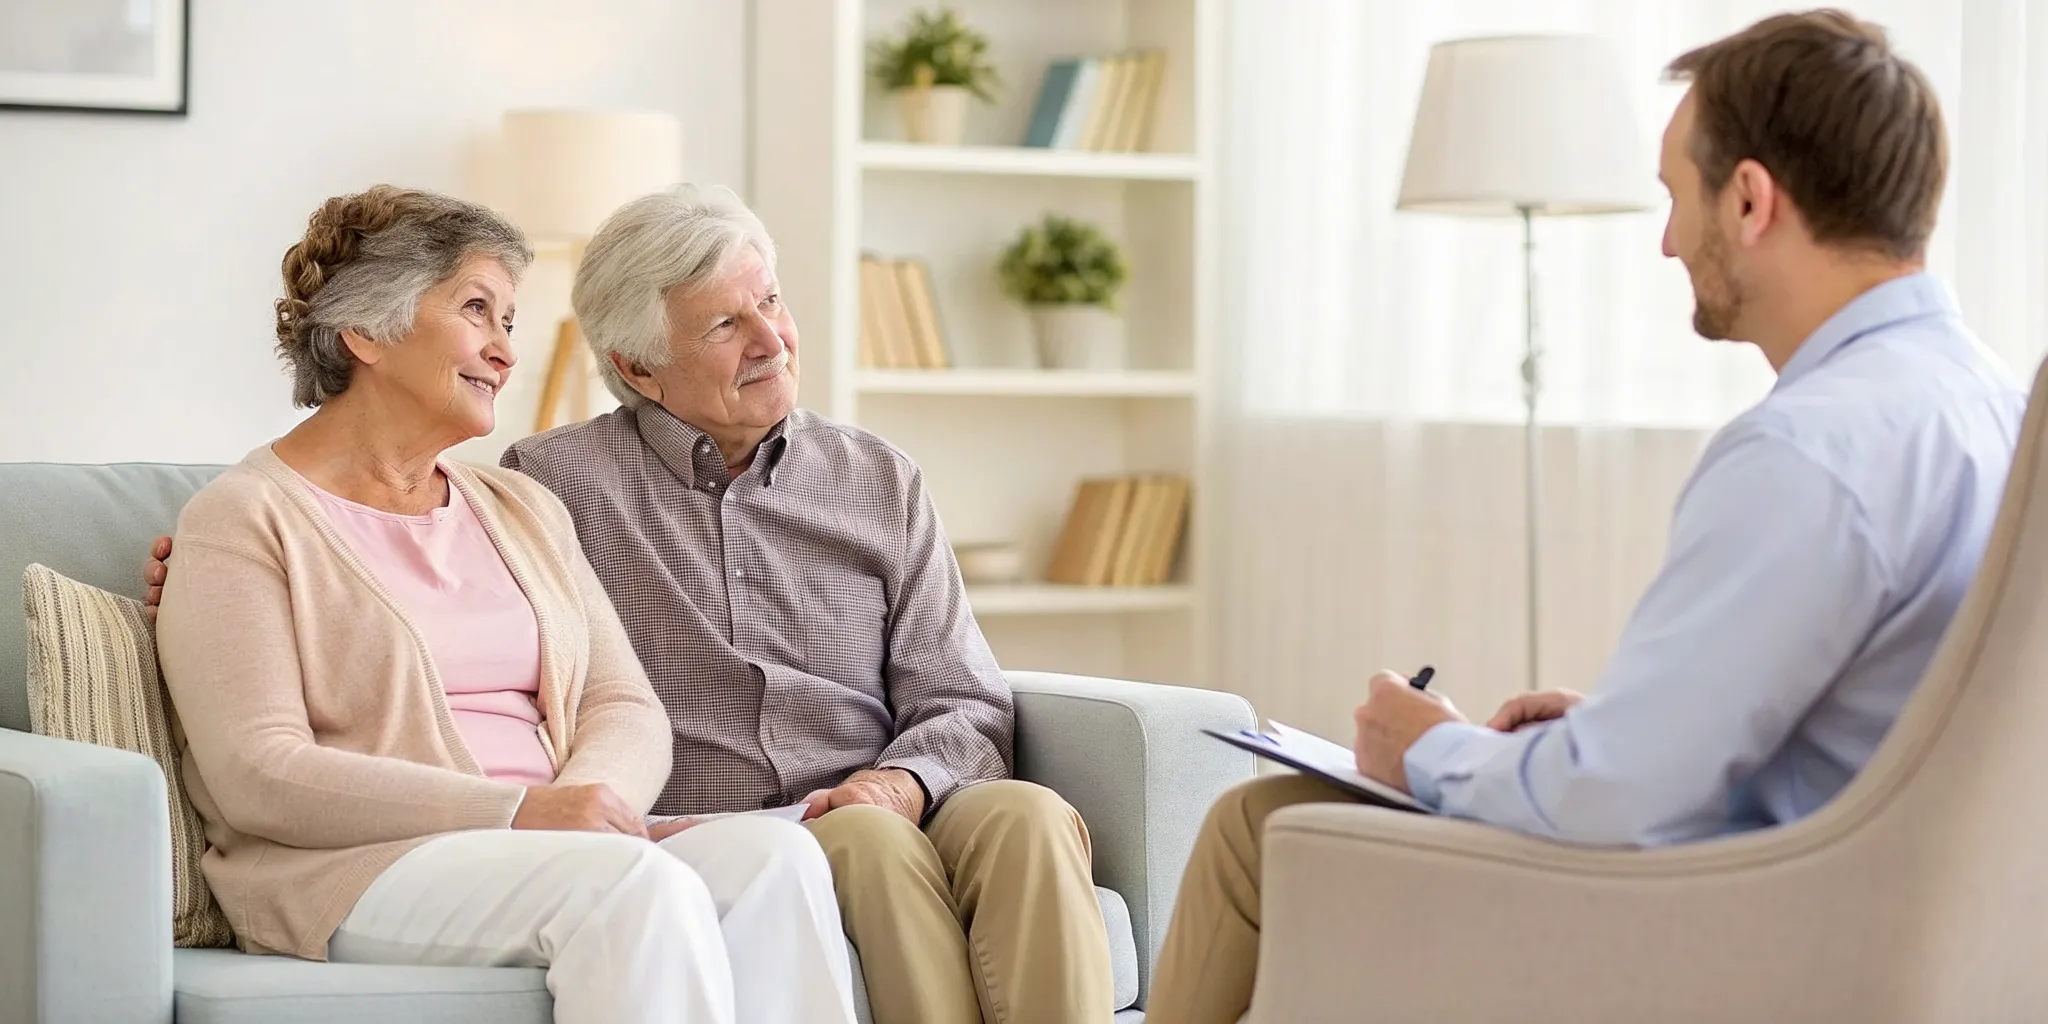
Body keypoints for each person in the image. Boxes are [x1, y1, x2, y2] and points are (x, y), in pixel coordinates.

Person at [1142, 11, 2028, 1024]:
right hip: (1893, 926)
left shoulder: (1805, 450)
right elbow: (1884, 733)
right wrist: (1617, 727)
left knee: (1261, 823)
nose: (1662, 241)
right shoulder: (1986, 407)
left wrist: (1420, 748)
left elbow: (1614, 800)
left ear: (1746, 199)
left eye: (1672, 194)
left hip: (1738, 932)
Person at [151, 185, 857, 1024]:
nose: (504, 353)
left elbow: (620, 700)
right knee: (630, 888)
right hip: (363, 866)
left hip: (552, 850)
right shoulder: (245, 518)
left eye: (509, 323)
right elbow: (259, 775)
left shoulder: (519, 507)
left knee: (777, 858)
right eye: (477, 310)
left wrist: (592, 806)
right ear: (366, 331)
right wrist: (520, 812)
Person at [500, 185, 1113, 1024]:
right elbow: (530, 705)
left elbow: (962, 694)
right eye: (724, 326)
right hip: (729, 829)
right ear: (637, 367)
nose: (771, 340)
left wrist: (900, 781)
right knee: (866, 841)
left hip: (888, 795)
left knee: (1030, 817)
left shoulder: (878, 477)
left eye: (771, 302)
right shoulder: (551, 485)